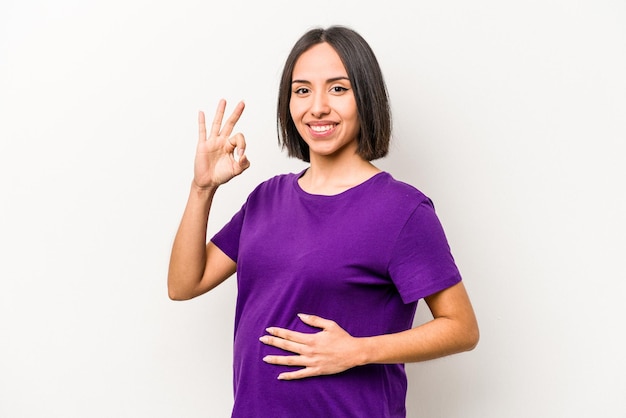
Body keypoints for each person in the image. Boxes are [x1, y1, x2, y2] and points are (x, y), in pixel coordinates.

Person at [168, 25, 479, 418]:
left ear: (365, 98)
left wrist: (360, 350)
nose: (317, 107)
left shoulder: (402, 210)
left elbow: (462, 328)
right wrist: (202, 189)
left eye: (338, 88)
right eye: (302, 90)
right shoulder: (267, 198)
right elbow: (183, 284)